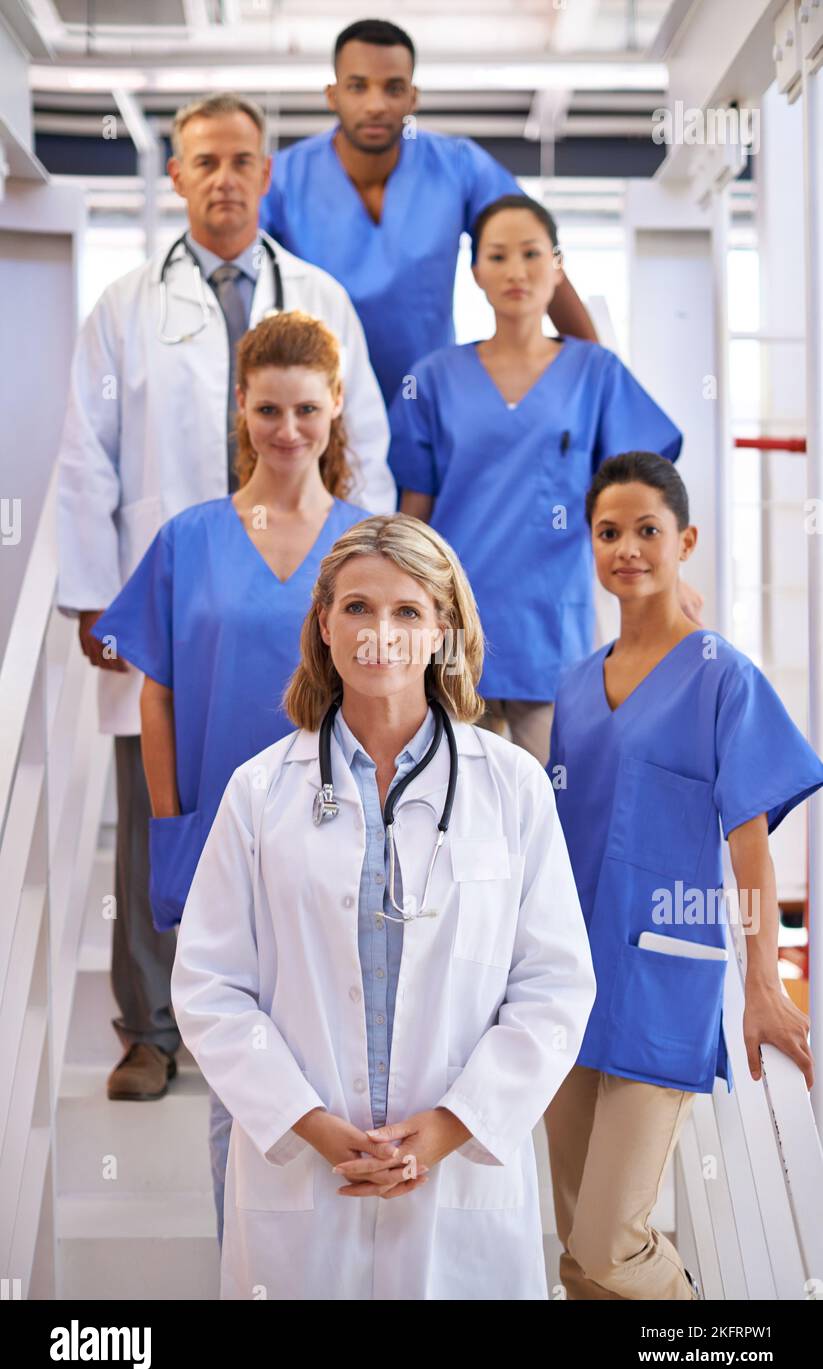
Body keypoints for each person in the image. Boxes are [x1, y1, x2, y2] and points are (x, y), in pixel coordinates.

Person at [56, 91, 393, 1104]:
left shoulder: (321, 296)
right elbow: (86, 457)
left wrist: (370, 581)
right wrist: (88, 595)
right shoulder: (123, 307)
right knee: (159, 806)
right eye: (205, 160)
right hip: (178, 595)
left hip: (301, 593)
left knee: (303, 804)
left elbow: (363, 439)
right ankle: (153, 1030)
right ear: (176, 175)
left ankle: (291, 1024)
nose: (225, 176)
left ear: (267, 172)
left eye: (243, 158)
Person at [170, 514, 597, 1300]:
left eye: (408, 612)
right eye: (358, 608)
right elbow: (210, 988)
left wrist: (446, 1130)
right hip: (306, 1173)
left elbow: (554, 988)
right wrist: (314, 1126)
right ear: (324, 625)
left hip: (458, 1181)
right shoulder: (260, 792)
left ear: (443, 631)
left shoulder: (511, 788)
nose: (380, 633)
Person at [91, 311, 368, 1234]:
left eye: (305, 410)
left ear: (334, 412)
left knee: (340, 1059)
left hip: (343, 835)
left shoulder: (366, 544)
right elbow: (157, 699)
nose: (286, 431)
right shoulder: (191, 539)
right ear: (239, 413)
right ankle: (244, 1263)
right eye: (267, 410)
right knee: (236, 1074)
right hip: (217, 835)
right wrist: (171, 824)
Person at [545, 450, 823, 1301]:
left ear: (684, 539)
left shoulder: (720, 676)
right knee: (573, 1252)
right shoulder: (573, 683)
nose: (626, 547)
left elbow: (747, 846)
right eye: (607, 532)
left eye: (646, 530)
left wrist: (764, 984)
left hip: (664, 981)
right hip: (568, 984)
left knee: (610, 1246)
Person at [391, 194, 693, 767]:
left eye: (532, 254)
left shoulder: (595, 372)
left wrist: (673, 577)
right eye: (497, 256)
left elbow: (640, 488)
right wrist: (396, 607)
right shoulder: (432, 379)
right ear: (476, 271)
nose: (516, 270)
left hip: (553, 629)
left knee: (557, 817)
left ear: (557, 266)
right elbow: (415, 512)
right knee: (448, 812)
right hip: (454, 627)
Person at [260, 18, 597, 405]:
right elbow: (238, 273)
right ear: (332, 95)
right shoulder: (282, 178)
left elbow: (535, 252)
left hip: (425, 401)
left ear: (413, 98)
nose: (376, 105)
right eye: (357, 86)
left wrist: (598, 370)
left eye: (393, 88)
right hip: (313, 402)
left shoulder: (457, 166)